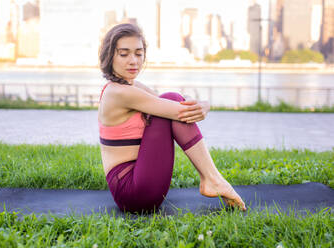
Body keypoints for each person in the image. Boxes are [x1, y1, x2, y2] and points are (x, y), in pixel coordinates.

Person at [98, 23, 246, 213]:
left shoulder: (131, 87)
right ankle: (213, 178)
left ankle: (212, 179)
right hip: (133, 192)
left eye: (138, 53)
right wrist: (203, 105)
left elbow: (166, 103)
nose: (133, 61)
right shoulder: (118, 92)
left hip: (138, 186)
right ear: (110, 56)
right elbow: (175, 109)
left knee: (170, 99)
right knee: (171, 100)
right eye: (124, 54)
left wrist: (195, 103)